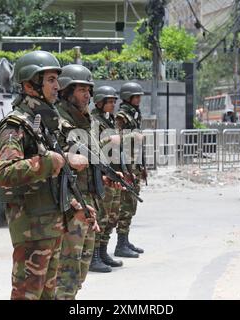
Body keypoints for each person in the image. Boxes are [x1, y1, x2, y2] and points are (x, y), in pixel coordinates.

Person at [0, 51, 90, 300]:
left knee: (49, 295)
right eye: (50, 80)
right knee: (28, 294)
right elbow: (4, 172)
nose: (57, 86)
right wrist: (51, 161)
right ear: (29, 84)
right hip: (31, 229)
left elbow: (50, 180)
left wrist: (72, 205)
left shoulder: (43, 122)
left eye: (56, 80)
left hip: (51, 225)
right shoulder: (16, 125)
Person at [54, 64, 120, 299]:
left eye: (88, 90)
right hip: (70, 206)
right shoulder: (56, 120)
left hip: (89, 204)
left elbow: (91, 156)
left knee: (79, 273)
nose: (87, 95)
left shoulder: (86, 121)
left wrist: (104, 175)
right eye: (82, 90)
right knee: (65, 275)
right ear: (66, 91)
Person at [89, 85, 124, 273]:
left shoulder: (109, 120)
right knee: (101, 216)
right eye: (109, 102)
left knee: (112, 216)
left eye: (113, 102)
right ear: (99, 102)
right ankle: (94, 256)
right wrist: (109, 141)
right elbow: (91, 147)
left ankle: (103, 252)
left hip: (113, 171)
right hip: (102, 172)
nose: (112, 105)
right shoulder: (94, 121)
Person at [114, 82, 146, 258]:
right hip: (126, 165)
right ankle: (120, 244)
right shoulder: (122, 117)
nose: (139, 99)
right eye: (136, 96)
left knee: (131, 204)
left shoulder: (133, 115)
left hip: (135, 165)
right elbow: (114, 137)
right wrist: (133, 136)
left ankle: (125, 240)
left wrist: (142, 167)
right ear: (128, 97)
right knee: (126, 205)